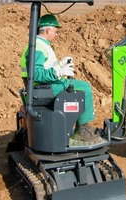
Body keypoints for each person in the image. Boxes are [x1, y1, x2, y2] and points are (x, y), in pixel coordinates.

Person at [20, 14, 100, 143]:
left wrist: (61, 65)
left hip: (42, 87)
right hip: (44, 89)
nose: (57, 34)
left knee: (78, 85)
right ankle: (83, 131)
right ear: (48, 30)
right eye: (56, 31)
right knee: (85, 88)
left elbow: (44, 67)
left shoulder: (39, 44)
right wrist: (58, 72)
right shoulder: (38, 47)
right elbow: (35, 73)